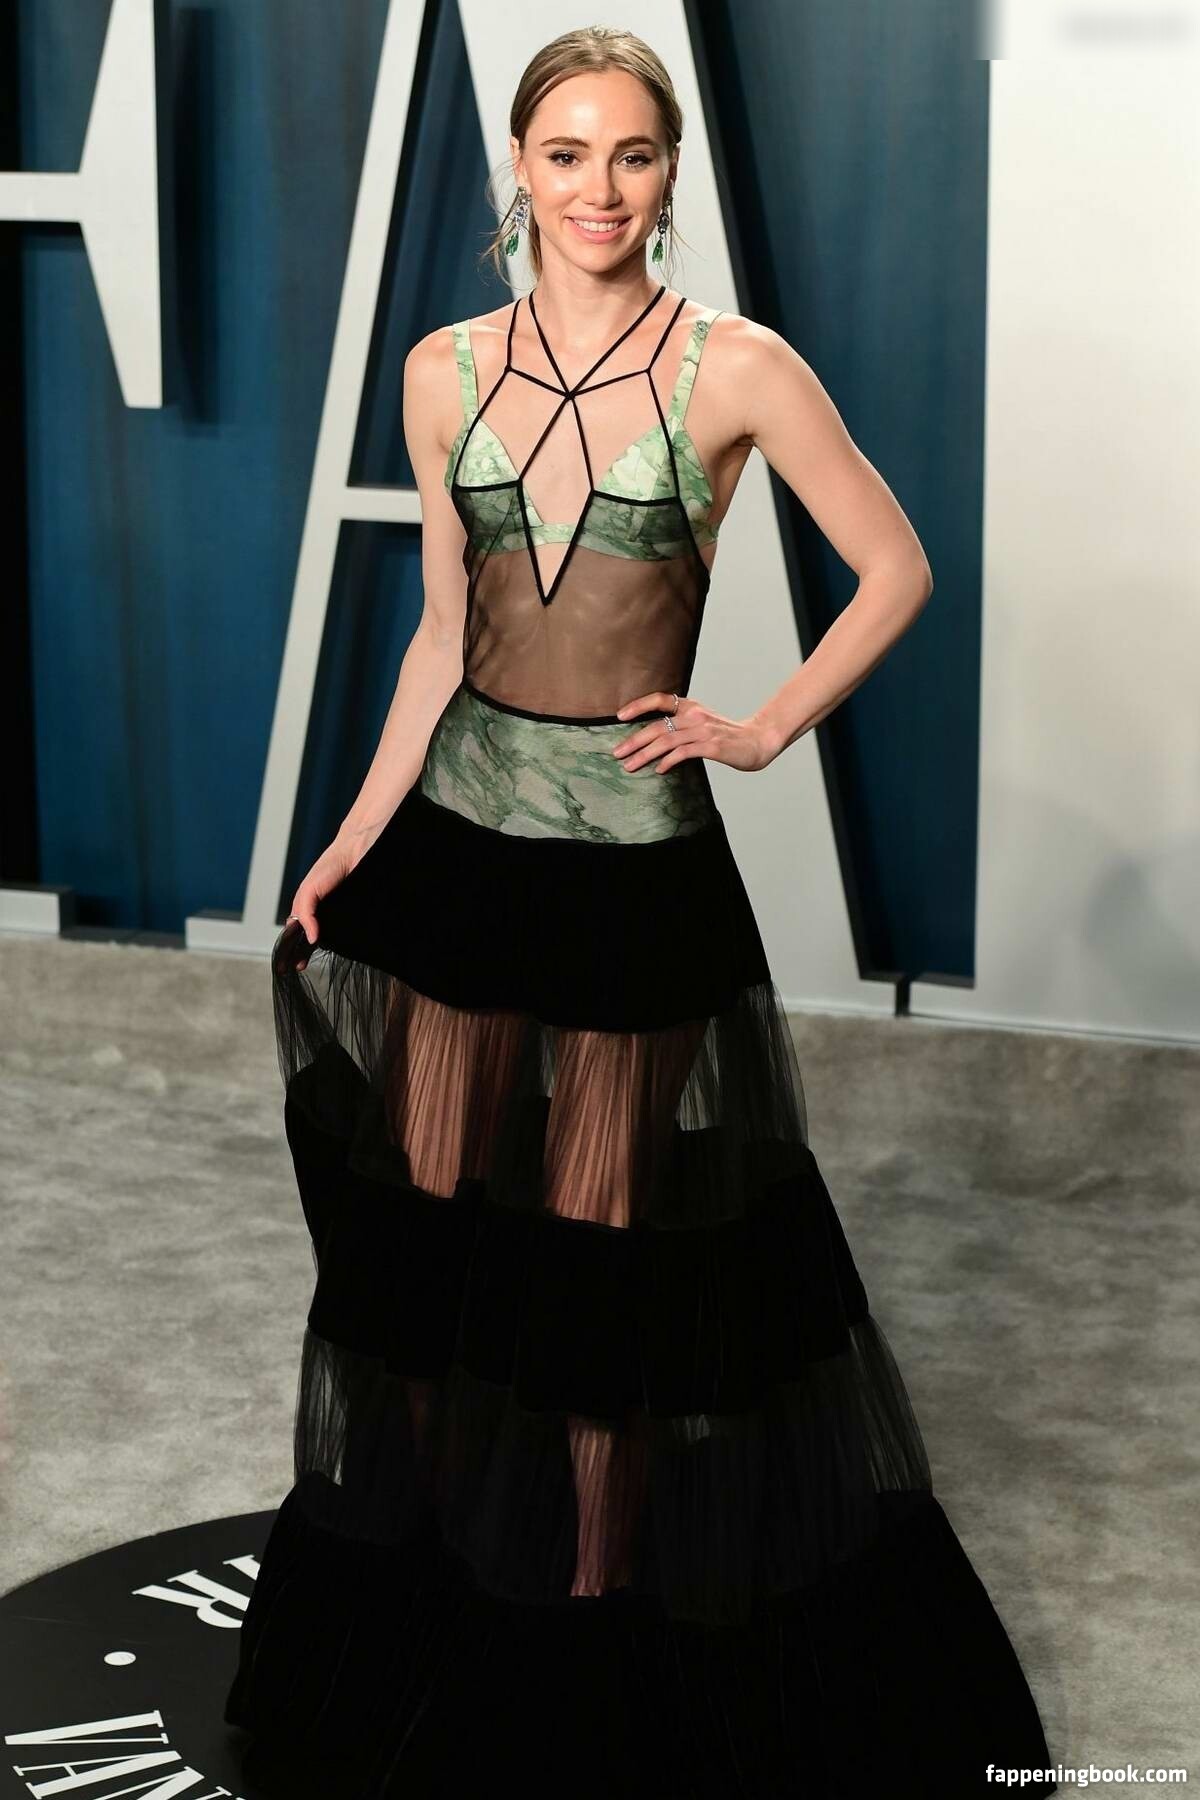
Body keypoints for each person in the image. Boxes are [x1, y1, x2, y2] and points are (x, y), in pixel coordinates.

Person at [225, 24, 1057, 1798]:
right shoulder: (444, 370)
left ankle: (586, 1618)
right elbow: (442, 638)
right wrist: (354, 837)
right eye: (567, 153)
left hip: (632, 882)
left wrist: (762, 725)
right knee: (428, 1248)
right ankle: (439, 1579)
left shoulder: (734, 368)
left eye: (632, 155)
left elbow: (896, 564)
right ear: (517, 173)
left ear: (668, 176)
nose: (598, 189)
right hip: (457, 858)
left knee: (600, 1271)